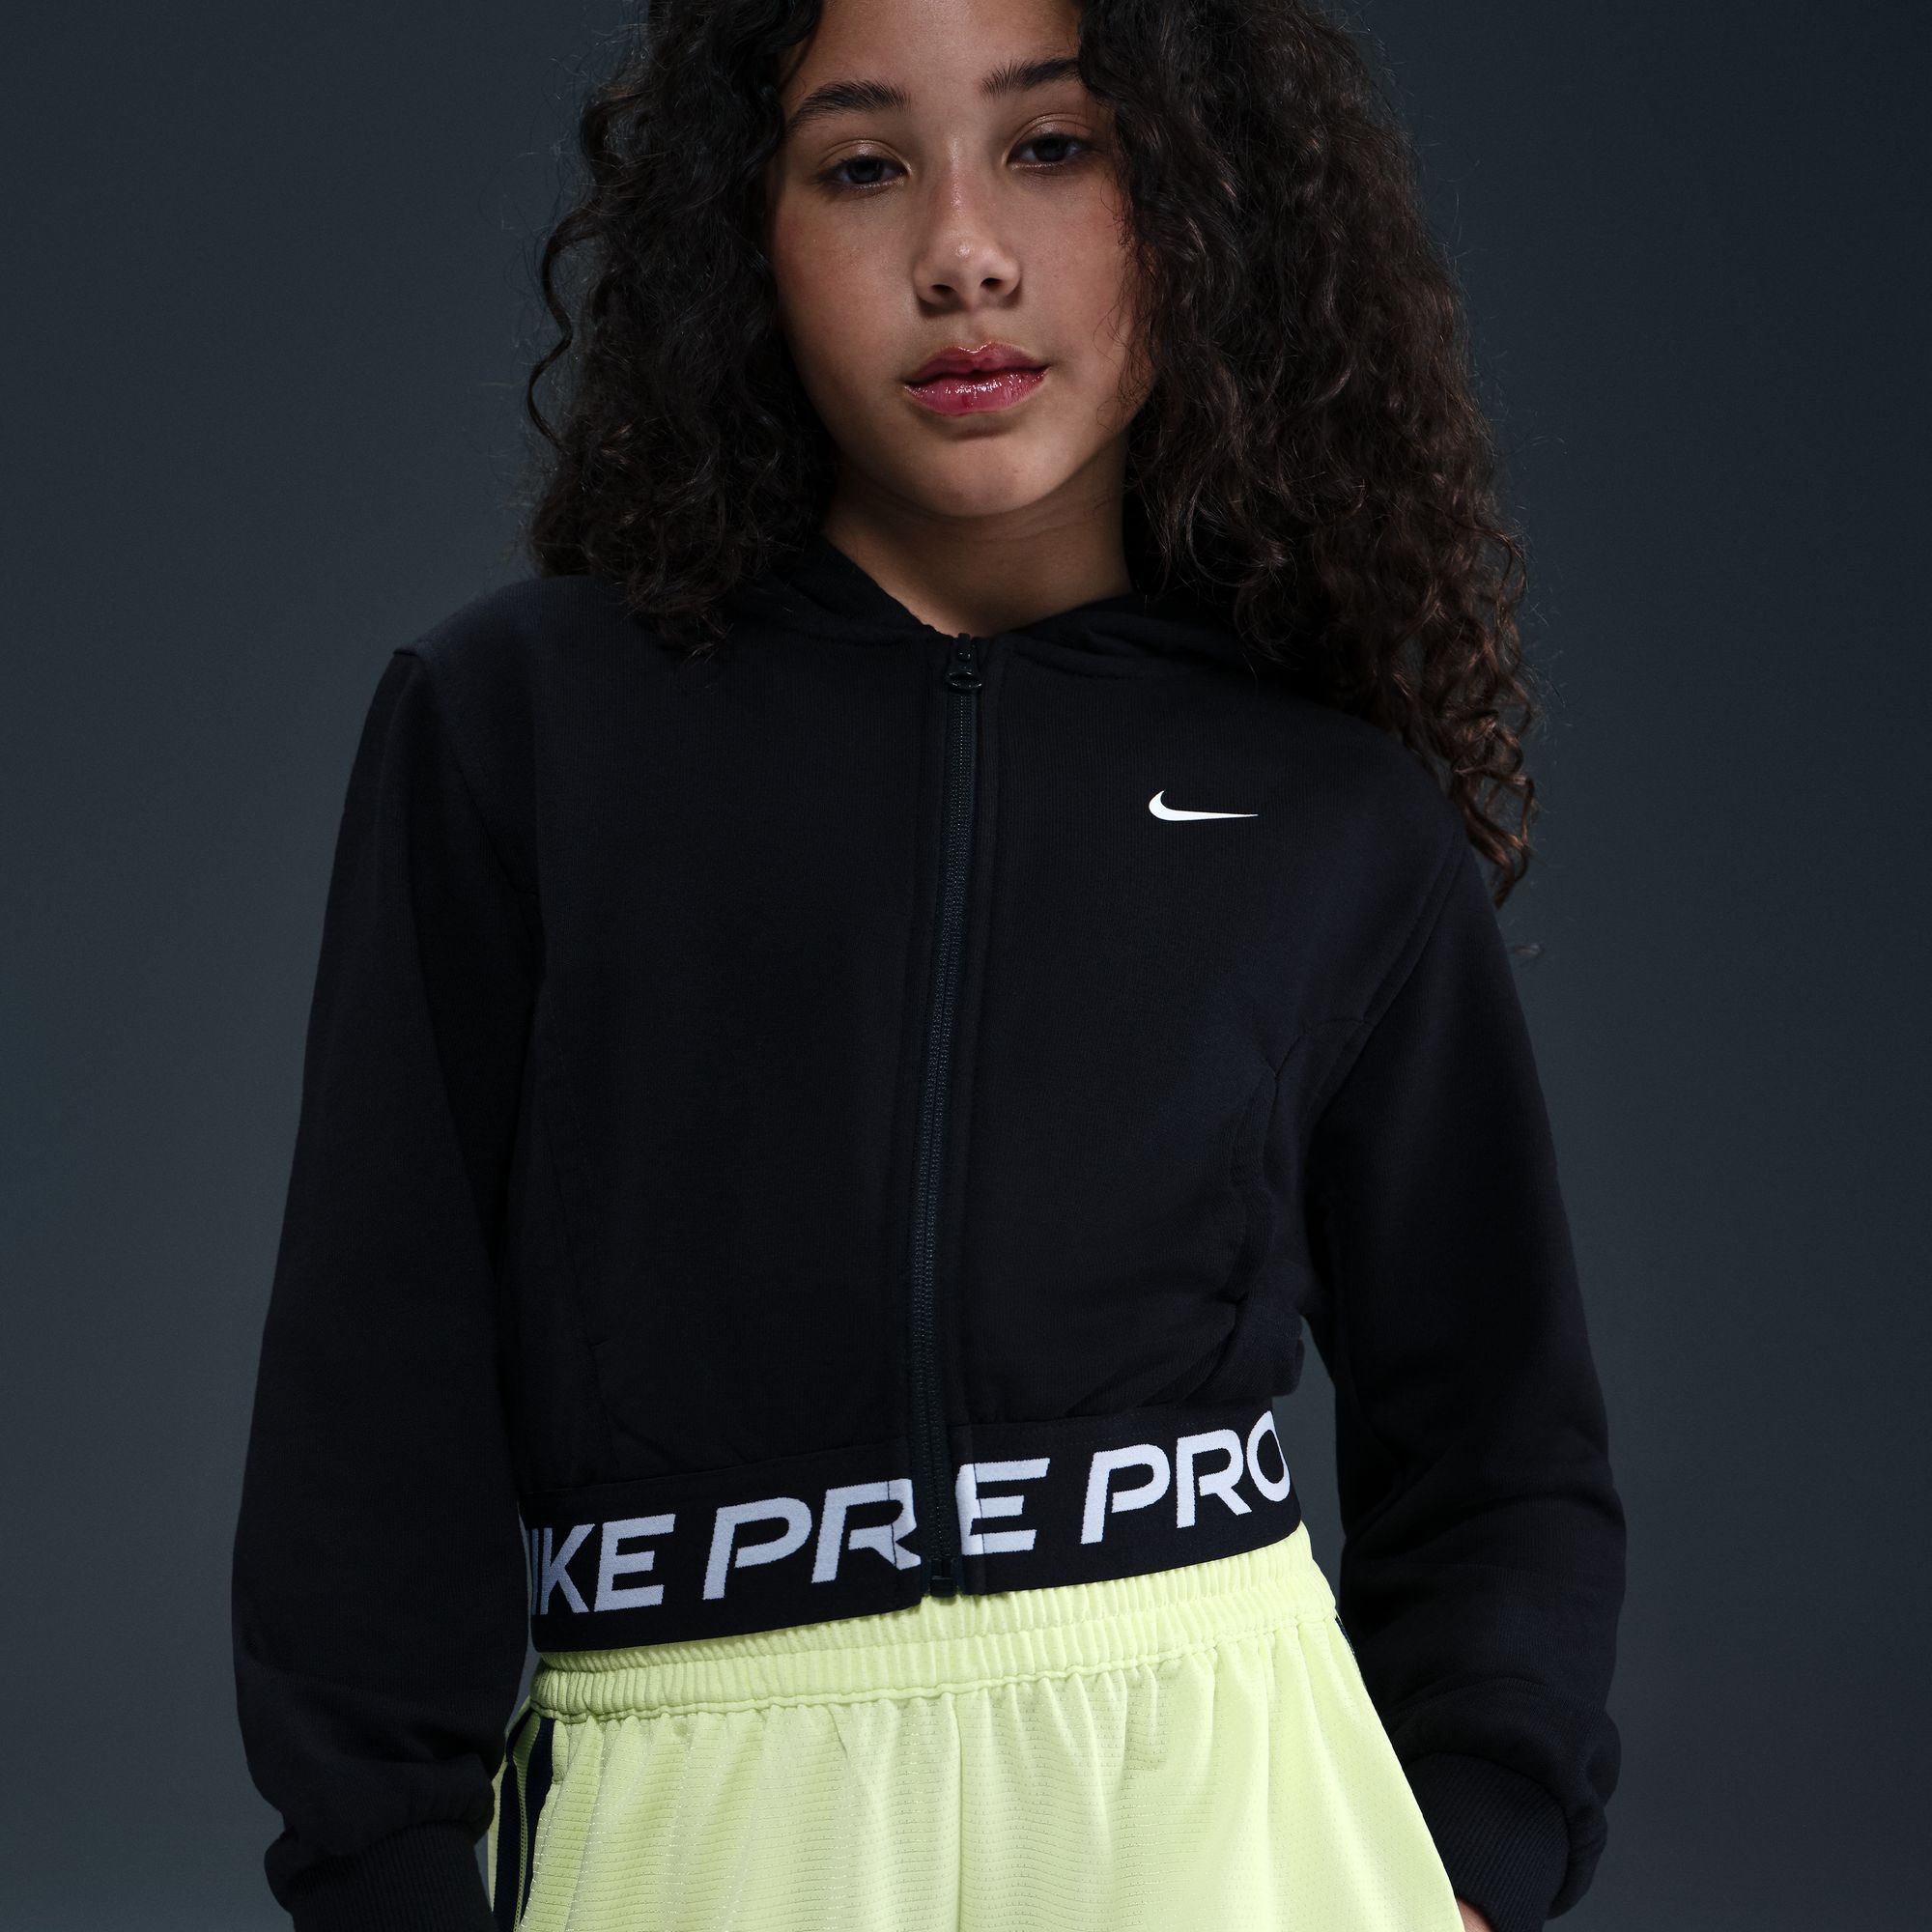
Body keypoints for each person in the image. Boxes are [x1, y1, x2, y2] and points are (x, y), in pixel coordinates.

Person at [228, 1, 1626, 1928]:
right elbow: (371, 1392)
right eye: (864, 163)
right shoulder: (519, 733)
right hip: (705, 1816)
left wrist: (1466, 1857)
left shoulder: (1326, 803)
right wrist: (388, 1876)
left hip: (1232, 1812)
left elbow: (1499, 1422)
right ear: (746, 231)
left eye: (1052, 145)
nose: (962, 252)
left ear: (1203, 200)